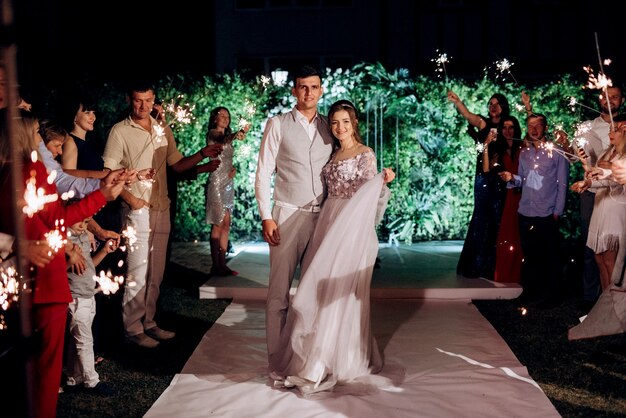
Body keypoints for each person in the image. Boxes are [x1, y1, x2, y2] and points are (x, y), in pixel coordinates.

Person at [0, 108, 127, 418]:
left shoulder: (5, 174)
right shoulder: (32, 173)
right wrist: (102, 197)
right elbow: (59, 220)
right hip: (46, 282)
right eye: (34, 134)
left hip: (18, 285)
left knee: (21, 372)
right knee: (44, 375)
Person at [269, 99, 395, 395]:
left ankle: (330, 360)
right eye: (335, 122)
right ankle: (316, 357)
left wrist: (384, 181)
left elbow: (369, 195)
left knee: (338, 293)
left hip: (350, 228)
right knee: (317, 289)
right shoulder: (333, 154)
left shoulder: (365, 154)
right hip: (326, 223)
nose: (339, 128)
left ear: (355, 124)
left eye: (345, 122)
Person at [102, 81, 222, 348]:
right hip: (137, 208)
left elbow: (177, 165)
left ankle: (149, 322)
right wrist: (132, 200)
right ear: (129, 99)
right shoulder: (119, 132)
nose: (143, 106)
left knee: (156, 271)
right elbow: (108, 174)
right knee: (137, 270)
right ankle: (132, 329)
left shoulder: (161, 129)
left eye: (147, 100)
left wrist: (203, 154)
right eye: (137, 100)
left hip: (162, 206)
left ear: (154, 99)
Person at [255, 66, 335, 373]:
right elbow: (263, 174)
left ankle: (307, 360)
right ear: (294, 91)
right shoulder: (277, 124)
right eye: (303, 87)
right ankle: (276, 360)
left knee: (315, 292)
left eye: (314, 87)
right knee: (279, 294)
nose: (309, 92)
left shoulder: (330, 126)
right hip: (286, 215)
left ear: (321, 90)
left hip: (322, 219)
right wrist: (266, 216)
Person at [447, 90, 521, 280]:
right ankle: (476, 264)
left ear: (503, 106)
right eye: (490, 103)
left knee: (499, 219)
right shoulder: (483, 123)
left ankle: (495, 266)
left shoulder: (508, 126)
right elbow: (467, 115)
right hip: (484, 177)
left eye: (497, 103)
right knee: (481, 217)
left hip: (503, 179)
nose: (493, 106)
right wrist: (457, 101)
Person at [499, 113, 570, 307]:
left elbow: (563, 184)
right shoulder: (524, 153)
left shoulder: (557, 153)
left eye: (538, 125)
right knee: (531, 255)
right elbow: (522, 179)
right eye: (530, 125)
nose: (534, 129)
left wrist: (557, 212)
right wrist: (511, 178)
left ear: (545, 128)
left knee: (551, 255)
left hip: (547, 213)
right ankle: (531, 291)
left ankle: (553, 294)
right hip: (525, 211)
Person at [571, 85, 624, 311]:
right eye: (606, 96)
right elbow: (589, 165)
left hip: (615, 205)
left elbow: (611, 174)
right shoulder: (590, 131)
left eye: (615, 97)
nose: (610, 101)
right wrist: (585, 167)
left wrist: (592, 179)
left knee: (611, 258)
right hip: (596, 200)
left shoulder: (623, 140)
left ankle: (616, 308)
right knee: (596, 254)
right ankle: (600, 302)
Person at [64, 216, 118, 396]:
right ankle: (91, 381)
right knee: (84, 341)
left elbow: (88, 267)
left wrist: (104, 251)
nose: (83, 226)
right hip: (76, 298)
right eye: (79, 221)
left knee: (77, 340)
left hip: (88, 294)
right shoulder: (64, 241)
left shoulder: (82, 238)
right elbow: (58, 269)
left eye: (87, 223)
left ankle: (74, 377)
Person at [205, 106, 250, 276]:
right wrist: (237, 133)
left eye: (227, 116)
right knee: (218, 222)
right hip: (216, 183)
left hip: (228, 183)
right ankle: (215, 265)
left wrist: (233, 169)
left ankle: (223, 264)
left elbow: (227, 157)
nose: (224, 118)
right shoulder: (213, 134)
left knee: (226, 223)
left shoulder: (228, 138)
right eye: (221, 115)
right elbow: (223, 140)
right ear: (215, 119)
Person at [494, 115, 524, 283]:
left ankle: (519, 275)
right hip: (507, 198)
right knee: (507, 234)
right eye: (504, 127)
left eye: (511, 127)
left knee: (520, 236)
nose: (507, 131)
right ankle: (504, 275)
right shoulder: (498, 150)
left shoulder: (523, 149)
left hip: (523, 195)